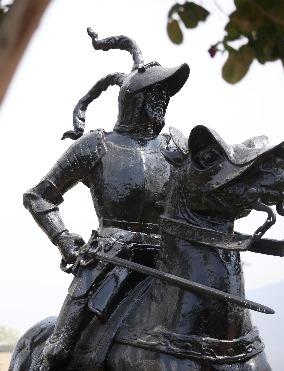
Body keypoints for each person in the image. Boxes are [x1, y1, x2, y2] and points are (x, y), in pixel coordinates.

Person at [23, 29, 189, 371]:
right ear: (136, 99)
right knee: (58, 351)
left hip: (170, 258)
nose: (164, 101)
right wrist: (66, 242)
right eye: (157, 94)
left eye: (166, 95)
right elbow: (38, 197)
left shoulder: (177, 146)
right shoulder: (95, 145)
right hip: (107, 260)